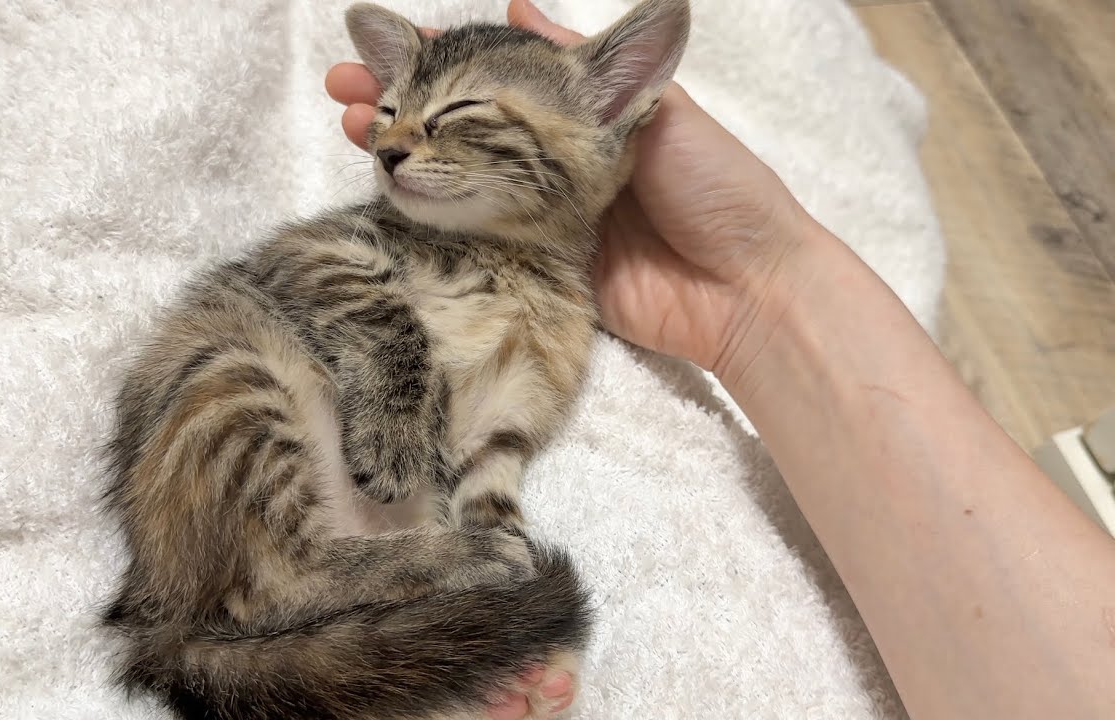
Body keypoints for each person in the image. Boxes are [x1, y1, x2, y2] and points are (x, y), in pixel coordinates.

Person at [325, 1, 1115, 717]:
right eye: (392, 114)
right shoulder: (377, 249)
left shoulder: (562, 315)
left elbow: (479, 465)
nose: (392, 143)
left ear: (609, 103)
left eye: (458, 115)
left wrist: (489, 609)